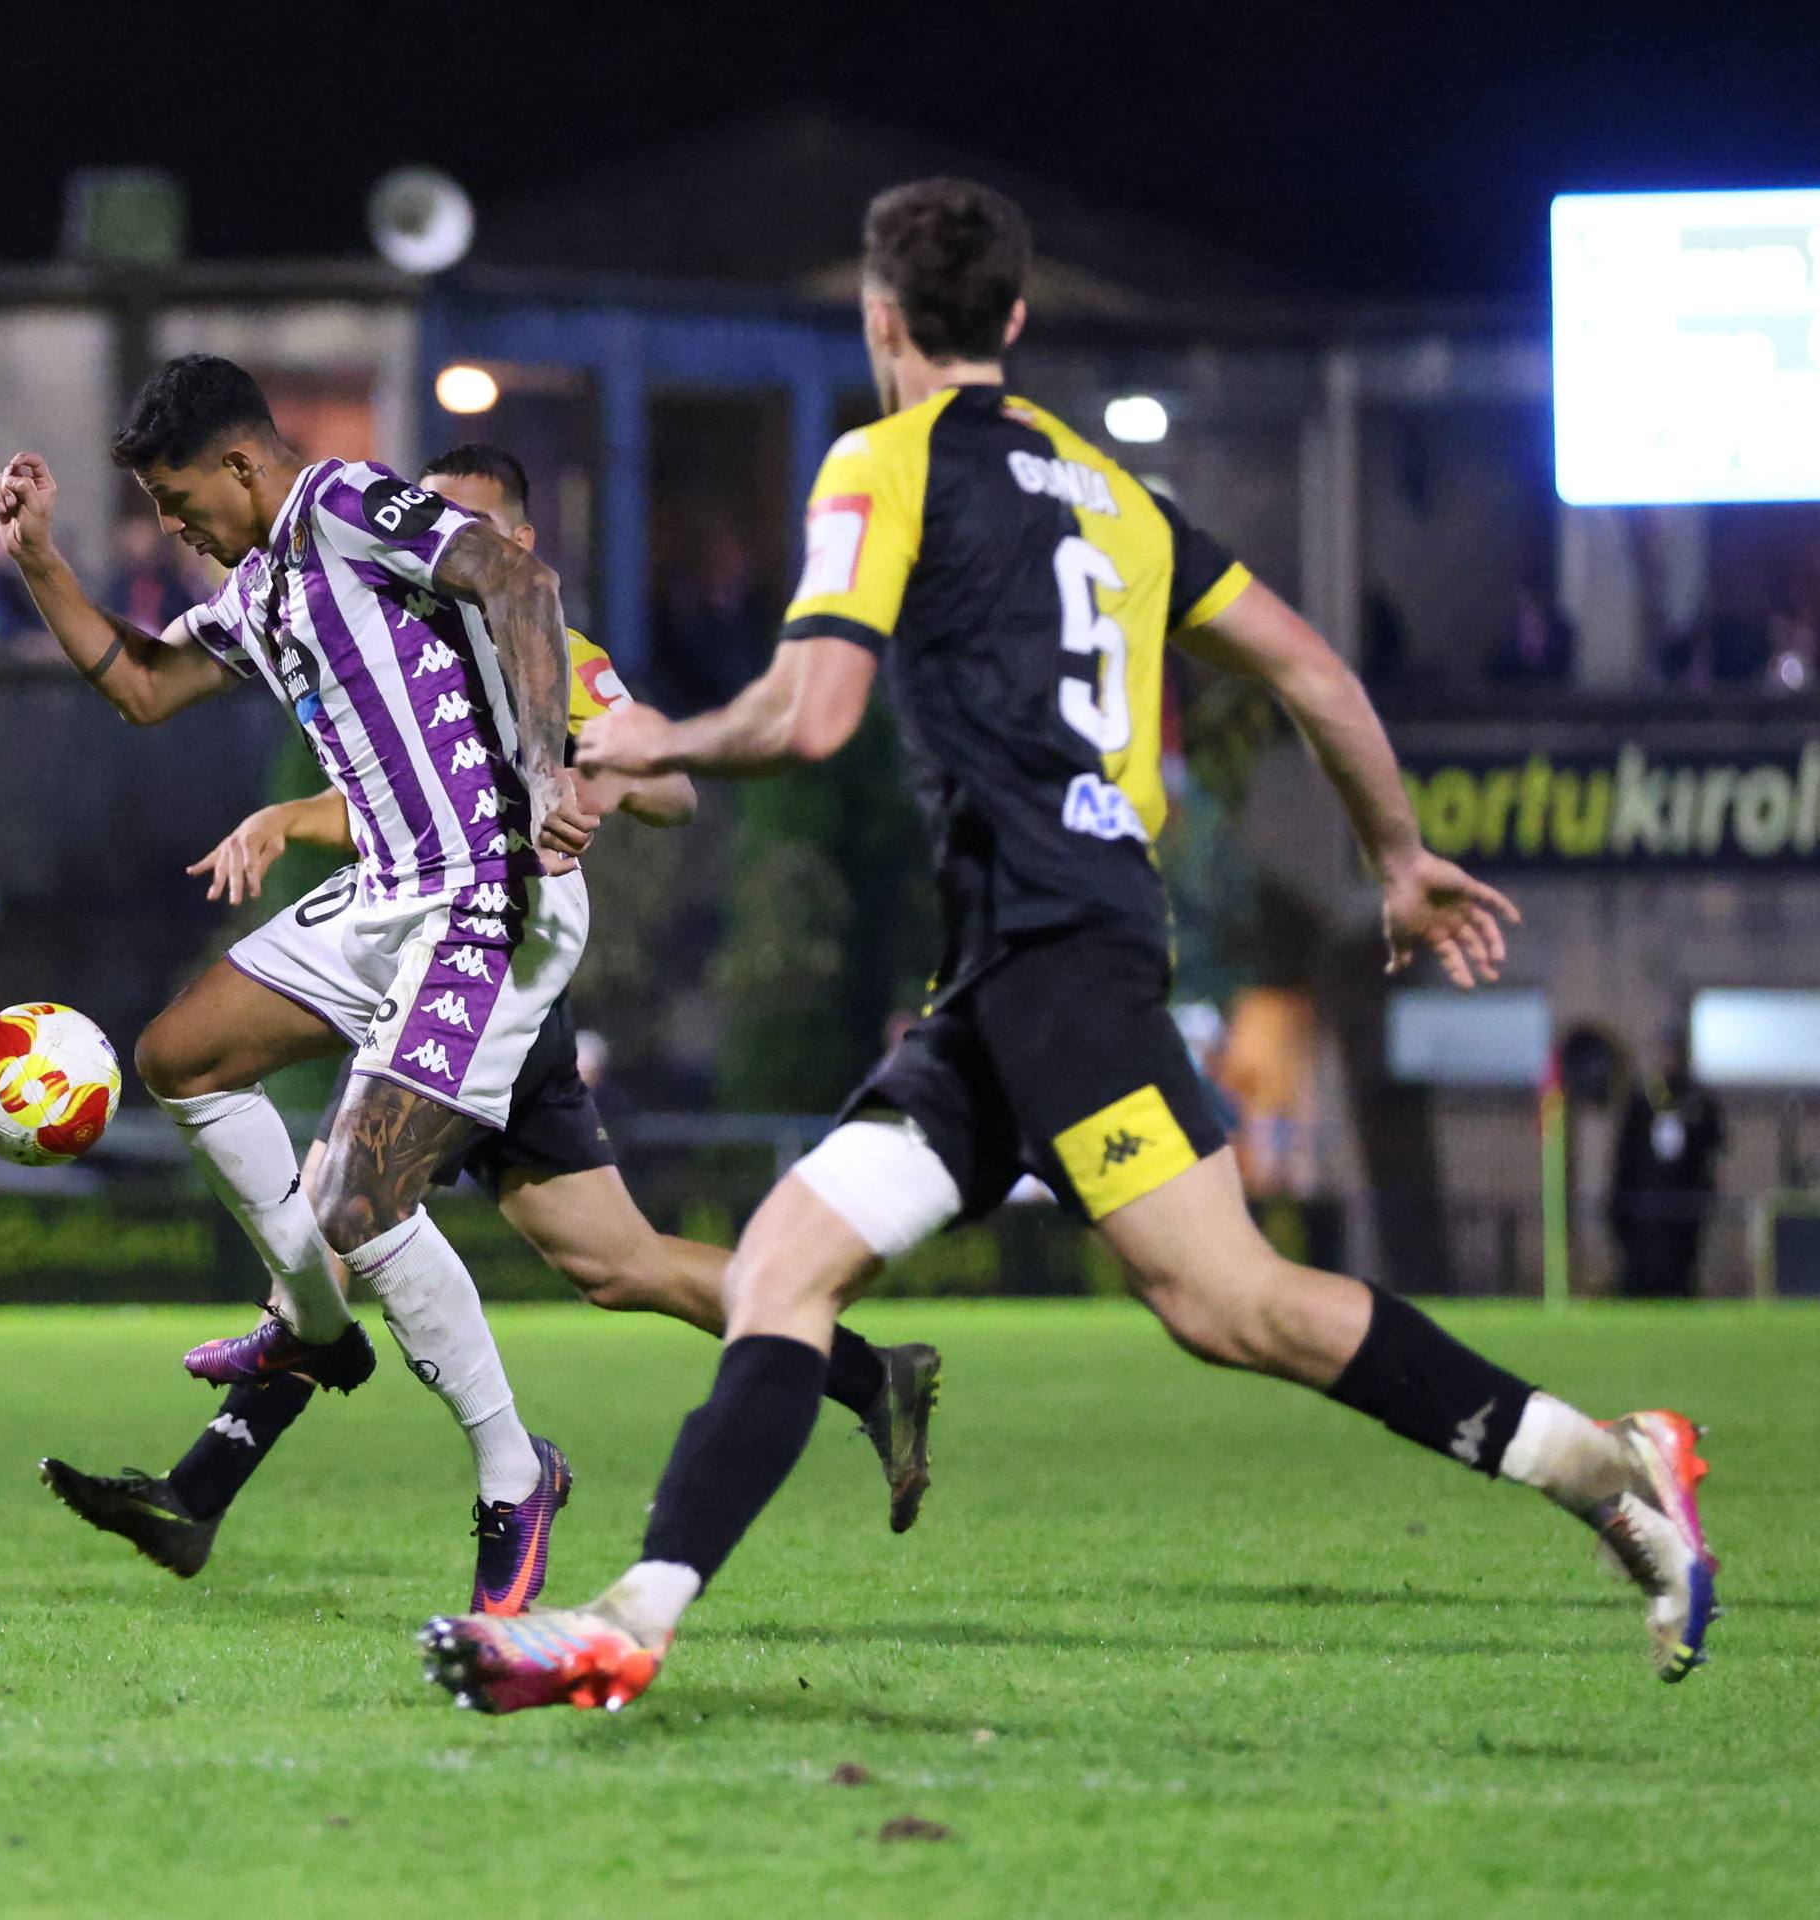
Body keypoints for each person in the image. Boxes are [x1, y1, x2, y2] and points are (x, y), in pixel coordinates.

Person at [419, 179, 1718, 1714]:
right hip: (1016, 970)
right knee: (785, 1264)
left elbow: (813, 711)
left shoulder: (880, 460)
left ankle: (1609, 1465)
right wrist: (1396, 855)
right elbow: (1306, 665)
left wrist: (647, 742)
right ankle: (627, 1618)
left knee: (1231, 1304)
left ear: (879, 319)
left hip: (1051, 954)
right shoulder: (1113, 493)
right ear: (1016, 320)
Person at [37, 443, 942, 1590]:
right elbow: (392, 786)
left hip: (492, 965)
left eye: (457, 526)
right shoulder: (374, 611)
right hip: (420, 939)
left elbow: (665, 784)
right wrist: (286, 816)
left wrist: (579, 779)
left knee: (344, 1213)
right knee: (601, 1263)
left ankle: (250, 1489)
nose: (428, 540)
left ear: (511, 543)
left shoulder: (545, 649)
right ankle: (869, 1377)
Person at [0, 359, 604, 1613]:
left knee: (366, 1202)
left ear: (238, 464)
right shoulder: (260, 587)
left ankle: (510, 1477)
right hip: (388, 890)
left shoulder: (339, 505)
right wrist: (39, 561)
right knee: (178, 1056)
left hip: (487, 891)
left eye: (176, 500)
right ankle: (318, 1332)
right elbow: (146, 688)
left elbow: (516, 575)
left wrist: (544, 768)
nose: (172, 528)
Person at [1610, 1036, 1724, 1300]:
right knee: (1643, 1269)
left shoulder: (1698, 1101)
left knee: (1679, 1270)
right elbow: (1625, 1156)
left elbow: (1713, 1148)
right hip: (1645, 1206)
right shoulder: (1643, 1100)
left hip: (1683, 1204)